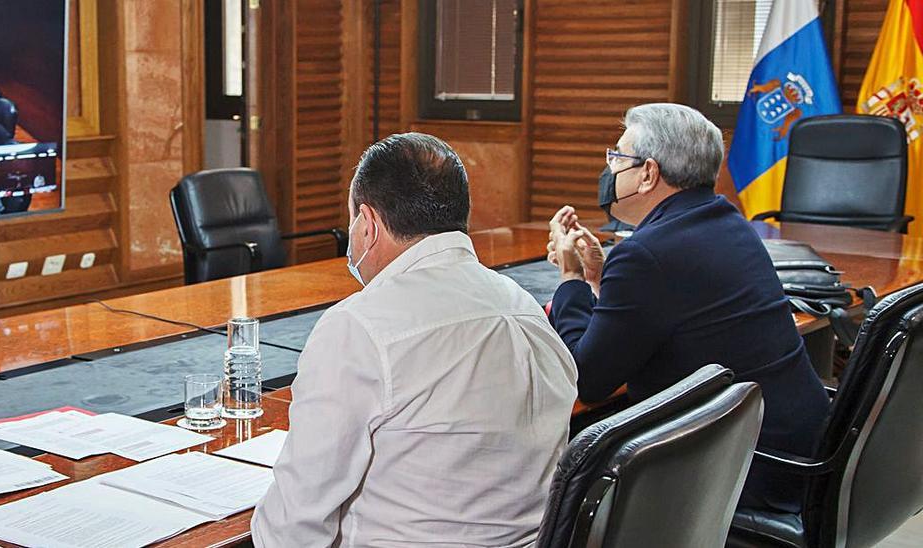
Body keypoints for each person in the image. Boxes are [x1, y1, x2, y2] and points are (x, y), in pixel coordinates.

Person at [251, 133, 578, 547]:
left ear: (367, 224)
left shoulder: (359, 326)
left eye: (352, 221)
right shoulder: (523, 307)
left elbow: (290, 529)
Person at [545, 103, 829, 514]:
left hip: (746, 471)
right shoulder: (728, 222)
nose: (609, 169)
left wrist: (570, 277)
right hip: (797, 452)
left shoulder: (647, 255)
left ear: (648, 174)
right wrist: (598, 279)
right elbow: (666, 312)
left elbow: (587, 380)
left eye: (617, 157)